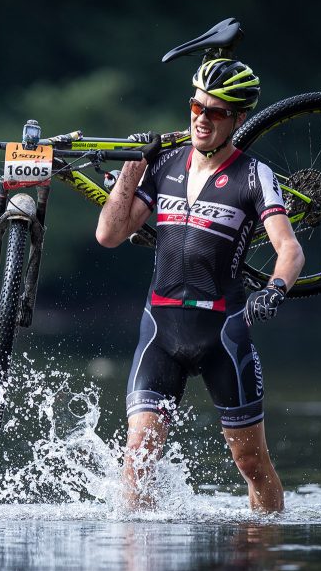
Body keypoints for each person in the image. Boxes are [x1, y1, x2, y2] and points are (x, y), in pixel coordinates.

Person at [96, 58, 304, 513]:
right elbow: (110, 234)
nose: (202, 118)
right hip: (161, 328)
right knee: (139, 454)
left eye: (216, 111)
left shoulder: (253, 175)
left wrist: (275, 289)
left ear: (239, 119)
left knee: (250, 462)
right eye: (196, 106)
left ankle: (263, 555)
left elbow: (289, 249)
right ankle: (139, 569)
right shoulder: (165, 163)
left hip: (222, 333)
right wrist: (134, 165)